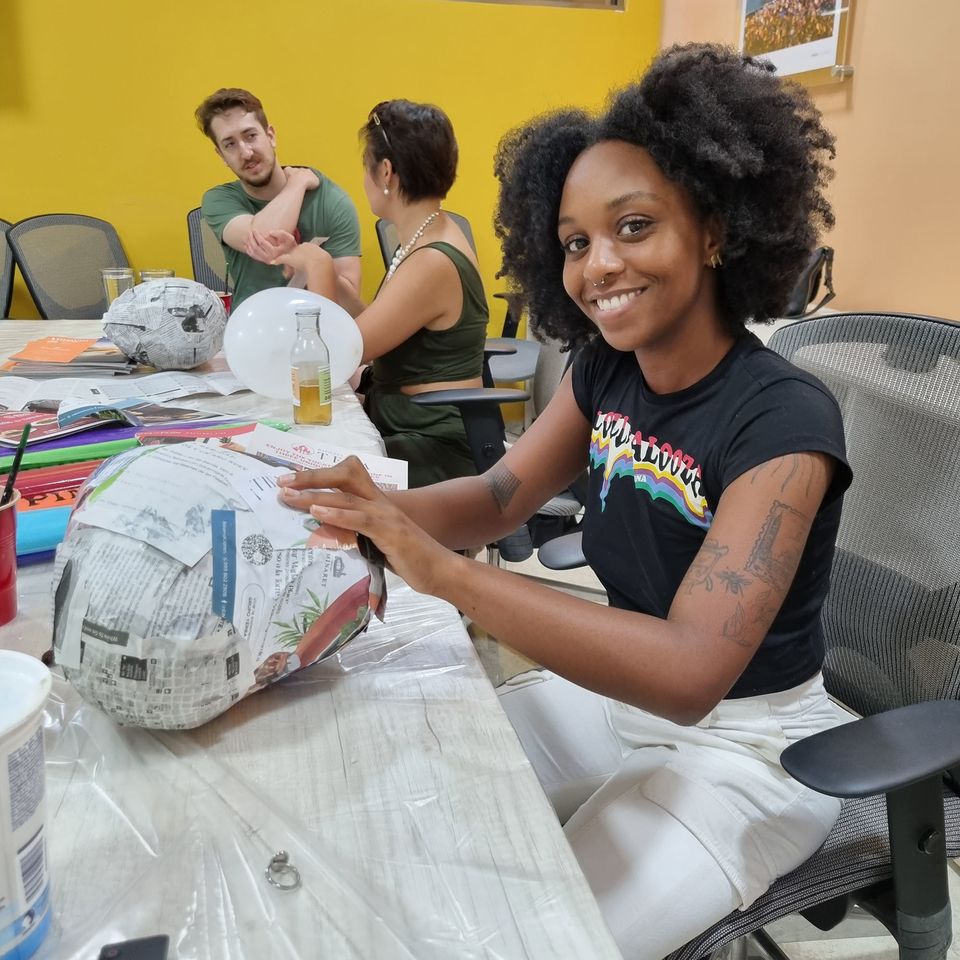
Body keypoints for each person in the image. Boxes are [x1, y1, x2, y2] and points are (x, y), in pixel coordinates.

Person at [273, 45, 851, 959]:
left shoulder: (785, 420)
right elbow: (501, 496)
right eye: (577, 242)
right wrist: (372, 505)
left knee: (529, 938)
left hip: (750, 751)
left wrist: (443, 576)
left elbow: (692, 672)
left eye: (632, 226)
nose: (598, 265)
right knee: (404, 797)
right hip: (622, 707)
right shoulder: (606, 368)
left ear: (713, 230)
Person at [246, 100, 488, 488]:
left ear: (386, 172)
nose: (363, 179)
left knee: (285, 475)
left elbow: (334, 359)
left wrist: (320, 267)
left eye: (366, 167)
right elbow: (383, 321)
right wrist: (322, 270)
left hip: (432, 448)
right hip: (405, 426)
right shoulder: (425, 236)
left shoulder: (433, 260)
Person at [195, 87, 362, 313]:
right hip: (249, 331)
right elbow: (266, 240)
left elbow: (352, 307)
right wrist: (297, 184)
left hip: (316, 333)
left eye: (250, 136)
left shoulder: (332, 202)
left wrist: (316, 264)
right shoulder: (220, 200)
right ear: (221, 155)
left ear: (270, 136)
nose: (245, 153)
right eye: (230, 144)